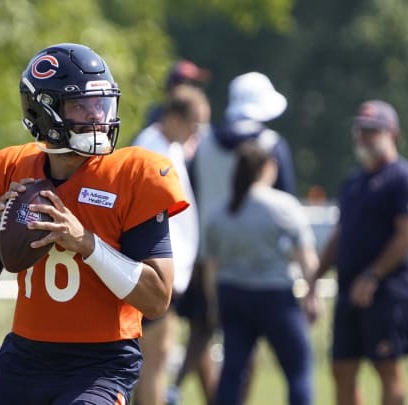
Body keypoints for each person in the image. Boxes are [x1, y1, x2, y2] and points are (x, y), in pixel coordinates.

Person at [0, 43, 189, 404]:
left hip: (101, 364)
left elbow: (157, 299)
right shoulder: (12, 169)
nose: (97, 116)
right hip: (23, 359)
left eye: (101, 103)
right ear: (43, 111)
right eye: (81, 105)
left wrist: (87, 243)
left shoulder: (133, 174)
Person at [183, 71, 298, 404]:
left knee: (217, 346)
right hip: (264, 269)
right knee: (287, 363)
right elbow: (287, 203)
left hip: (211, 260)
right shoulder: (272, 144)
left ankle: (175, 390)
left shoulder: (202, 145)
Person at [308, 100, 408, 405]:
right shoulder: (353, 182)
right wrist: (314, 278)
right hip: (349, 287)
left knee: (387, 368)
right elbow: (340, 235)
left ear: (392, 134)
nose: (363, 137)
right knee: (342, 368)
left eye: (372, 130)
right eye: (359, 130)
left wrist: (373, 275)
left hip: (388, 289)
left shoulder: (404, 178)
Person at [204, 140, 320, 405]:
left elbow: (212, 266)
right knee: (298, 369)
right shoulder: (282, 206)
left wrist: (214, 305)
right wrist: (312, 295)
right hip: (274, 296)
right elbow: (307, 257)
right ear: (268, 168)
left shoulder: (221, 211)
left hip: (231, 294)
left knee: (233, 373)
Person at [132, 92, 201, 405]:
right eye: (193, 125)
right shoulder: (151, 151)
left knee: (156, 358)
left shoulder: (170, 147)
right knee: (154, 359)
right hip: (158, 267)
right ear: (174, 119)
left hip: (172, 267)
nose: (195, 133)